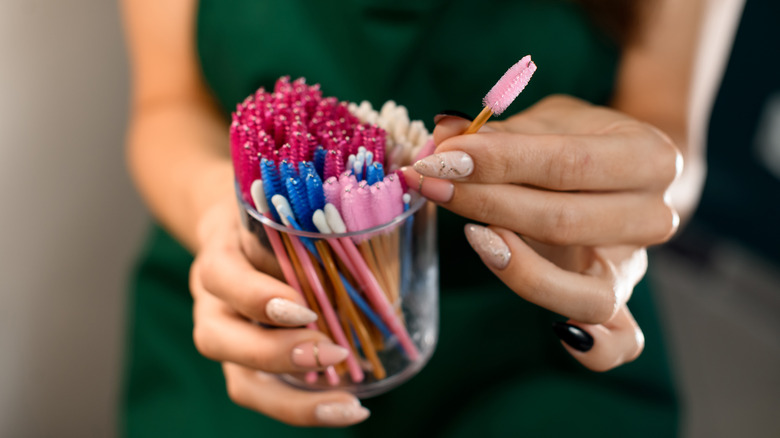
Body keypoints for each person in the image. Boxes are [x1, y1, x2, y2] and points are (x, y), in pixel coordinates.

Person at [120, 0, 706, 435]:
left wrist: (615, 196)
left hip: (534, 328)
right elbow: (169, 104)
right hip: (265, 296)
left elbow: (669, 141)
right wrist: (221, 219)